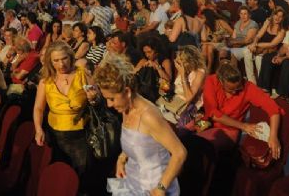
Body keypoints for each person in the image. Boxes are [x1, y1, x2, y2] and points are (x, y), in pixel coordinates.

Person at [93, 55, 186, 196]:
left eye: (111, 99)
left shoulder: (149, 116)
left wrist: (161, 188)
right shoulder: (126, 108)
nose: (109, 104)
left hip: (153, 189)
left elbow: (180, 153)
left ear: (127, 92)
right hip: (132, 181)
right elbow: (139, 142)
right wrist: (122, 158)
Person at [33, 41, 91, 177]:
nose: (61, 64)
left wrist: (94, 98)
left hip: (81, 135)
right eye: (56, 60)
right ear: (50, 62)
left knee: (81, 176)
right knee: (60, 175)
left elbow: (98, 100)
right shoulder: (45, 81)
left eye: (64, 58)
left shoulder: (82, 74)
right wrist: (38, 129)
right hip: (55, 135)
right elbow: (38, 108)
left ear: (70, 57)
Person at [199, 63, 282, 157]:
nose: (235, 92)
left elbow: (273, 108)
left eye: (238, 88)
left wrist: (273, 135)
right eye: (230, 90)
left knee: (201, 143)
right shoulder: (211, 80)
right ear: (221, 82)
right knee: (184, 133)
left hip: (228, 129)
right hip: (205, 121)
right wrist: (244, 126)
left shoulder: (248, 87)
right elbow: (212, 114)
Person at [243, 8, 287, 84]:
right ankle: (251, 81)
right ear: (273, 15)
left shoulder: (282, 30)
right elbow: (258, 35)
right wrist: (254, 44)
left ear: (283, 18)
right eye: (276, 15)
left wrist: (256, 45)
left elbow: (272, 44)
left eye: (280, 16)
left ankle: (261, 83)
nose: (277, 18)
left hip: (271, 50)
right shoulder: (268, 23)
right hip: (260, 47)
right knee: (246, 51)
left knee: (258, 58)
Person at [134, 37, 173, 102]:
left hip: (161, 92)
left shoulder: (165, 62)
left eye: (149, 52)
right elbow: (133, 72)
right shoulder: (144, 61)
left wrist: (157, 67)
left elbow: (168, 80)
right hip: (145, 92)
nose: (147, 55)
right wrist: (142, 68)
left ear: (156, 50)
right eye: (145, 52)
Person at [200, 9, 233, 74]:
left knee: (209, 46)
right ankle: (205, 68)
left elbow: (232, 33)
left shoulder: (220, 22)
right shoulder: (207, 26)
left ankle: (209, 68)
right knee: (206, 46)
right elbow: (204, 39)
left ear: (208, 17)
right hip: (214, 44)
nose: (202, 19)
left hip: (223, 42)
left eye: (203, 18)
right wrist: (203, 26)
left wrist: (222, 36)